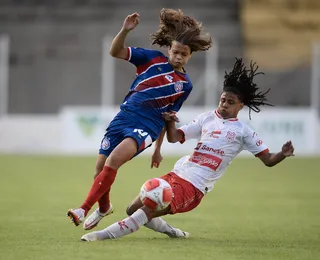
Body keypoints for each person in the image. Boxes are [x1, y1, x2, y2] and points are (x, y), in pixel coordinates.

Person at [79, 58, 295, 241]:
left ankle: (101, 236)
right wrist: (171, 122)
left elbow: (267, 159)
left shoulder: (243, 131)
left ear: (241, 106)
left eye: (230, 102)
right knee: (132, 209)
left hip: (195, 186)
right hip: (178, 173)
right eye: (222, 100)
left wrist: (281, 155)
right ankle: (173, 233)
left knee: (146, 210)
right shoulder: (207, 118)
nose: (224, 104)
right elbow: (174, 138)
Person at [66, 8, 212, 230]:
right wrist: (124, 31)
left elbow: (168, 118)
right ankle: (104, 208)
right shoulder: (152, 59)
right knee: (99, 170)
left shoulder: (185, 85)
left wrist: (157, 148)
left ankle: (83, 208)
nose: (178, 57)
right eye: (175, 52)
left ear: (190, 55)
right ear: (170, 49)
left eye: (183, 54)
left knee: (113, 161)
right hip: (123, 118)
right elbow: (115, 52)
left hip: (147, 126)